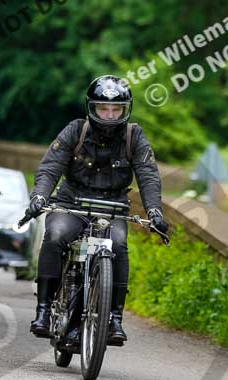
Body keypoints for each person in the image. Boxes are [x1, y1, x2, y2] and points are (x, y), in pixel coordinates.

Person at [28, 75, 168, 346]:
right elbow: (50, 167)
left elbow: (148, 175)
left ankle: (114, 318)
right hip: (71, 204)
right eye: (103, 109)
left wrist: (154, 211)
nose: (109, 115)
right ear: (92, 108)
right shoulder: (75, 130)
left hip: (112, 208)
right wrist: (39, 196)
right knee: (56, 235)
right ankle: (44, 311)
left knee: (119, 244)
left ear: (126, 110)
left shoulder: (133, 136)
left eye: (116, 110)